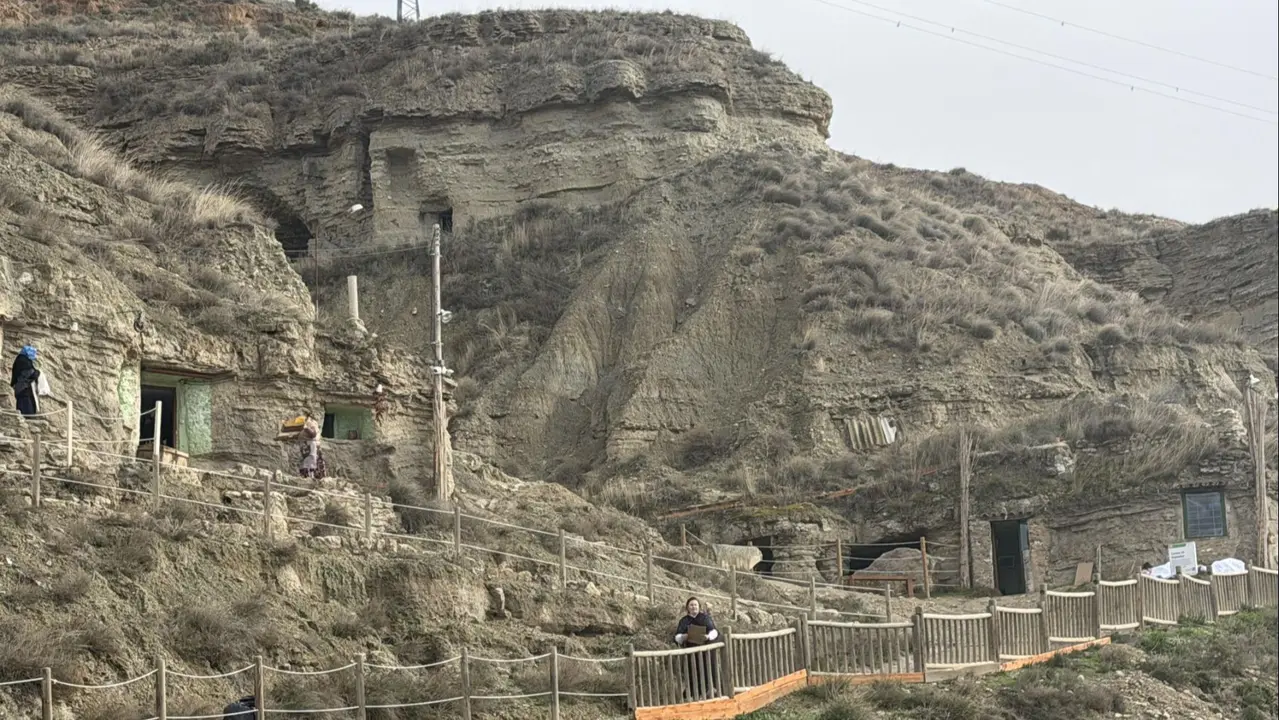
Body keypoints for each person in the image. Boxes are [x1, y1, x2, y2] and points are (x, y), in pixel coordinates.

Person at [673, 597, 719, 700]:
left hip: (705, 651)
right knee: (692, 673)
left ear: (699, 607)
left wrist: (708, 637)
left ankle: (708, 691)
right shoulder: (684, 621)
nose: (694, 607)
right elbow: (677, 636)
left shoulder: (705, 618)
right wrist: (683, 637)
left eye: (695, 605)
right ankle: (693, 695)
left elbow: (714, 632)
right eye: (691, 605)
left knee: (707, 671)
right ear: (687, 608)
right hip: (690, 652)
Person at [9, 345, 40, 417]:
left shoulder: (19, 359)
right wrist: (37, 372)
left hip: (19, 387)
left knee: (22, 403)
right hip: (24, 387)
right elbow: (30, 374)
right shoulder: (24, 361)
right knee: (26, 405)